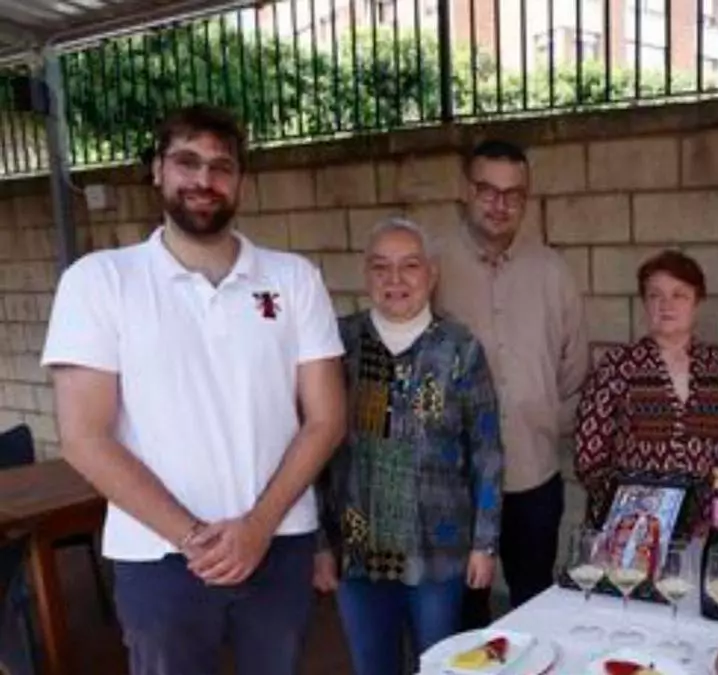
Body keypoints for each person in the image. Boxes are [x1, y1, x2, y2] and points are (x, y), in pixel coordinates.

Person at [40, 104, 346, 675]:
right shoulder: (100, 281)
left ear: (241, 181)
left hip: (279, 544)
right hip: (157, 554)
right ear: (158, 170)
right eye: (187, 162)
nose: (204, 180)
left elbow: (326, 419)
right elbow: (84, 437)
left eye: (221, 166)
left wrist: (257, 528)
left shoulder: (294, 279)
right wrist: (194, 538)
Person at [313, 218, 503, 673]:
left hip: (437, 553)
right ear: (366, 275)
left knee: (438, 666)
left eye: (410, 266)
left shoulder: (460, 348)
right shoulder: (336, 344)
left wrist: (484, 543)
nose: (394, 279)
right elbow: (311, 450)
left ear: (431, 274)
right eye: (381, 267)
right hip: (359, 553)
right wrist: (319, 544)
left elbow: (487, 451)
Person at [435, 139, 589, 625]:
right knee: (462, 614)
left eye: (513, 194)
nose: (500, 204)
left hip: (532, 474)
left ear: (527, 198)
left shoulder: (552, 272)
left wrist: (539, 420)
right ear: (466, 190)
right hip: (454, 479)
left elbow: (574, 367)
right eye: (488, 190)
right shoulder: (432, 266)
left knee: (533, 605)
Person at [574, 250, 718, 537]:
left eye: (679, 295)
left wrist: (717, 512)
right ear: (644, 303)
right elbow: (589, 457)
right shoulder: (618, 366)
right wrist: (633, 512)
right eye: (655, 295)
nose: (666, 305)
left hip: (705, 530)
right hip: (631, 532)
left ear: (697, 301)